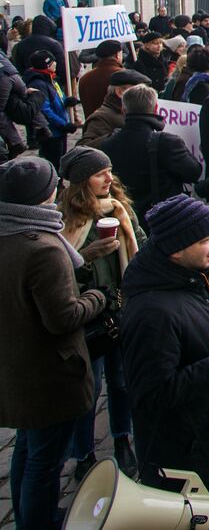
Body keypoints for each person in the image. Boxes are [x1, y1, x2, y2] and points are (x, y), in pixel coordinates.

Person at [122, 194, 209, 489]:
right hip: (187, 459)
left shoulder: (190, 277)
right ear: (176, 250)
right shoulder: (152, 314)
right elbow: (153, 395)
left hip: (208, 437)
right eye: (206, 239)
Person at [0, 157, 108, 529]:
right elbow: (62, 317)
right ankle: (38, 522)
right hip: (48, 373)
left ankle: (30, 515)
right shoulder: (43, 248)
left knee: (27, 452)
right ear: (47, 195)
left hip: (15, 365)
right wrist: (97, 298)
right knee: (44, 462)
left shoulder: (8, 232)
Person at [56, 147, 143, 480]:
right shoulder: (67, 220)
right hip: (87, 316)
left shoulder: (120, 209)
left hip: (120, 308)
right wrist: (88, 256)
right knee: (88, 390)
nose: (109, 179)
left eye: (109, 171)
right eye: (99, 174)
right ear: (80, 182)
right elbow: (58, 274)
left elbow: (140, 246)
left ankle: (122, 439)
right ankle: (83, 453)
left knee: (121, 382)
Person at [76, 69, 151, 148]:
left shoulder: (135, 112)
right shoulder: (101, 117)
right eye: (137, 91)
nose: (142, 95)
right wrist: (117, 137)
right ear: (120, 92)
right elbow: (85, 146)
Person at [78, 40, 125, 118]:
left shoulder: (85, 78)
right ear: (117, 55)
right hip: (117, 126)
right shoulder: (124, 76)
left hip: (92, 125)